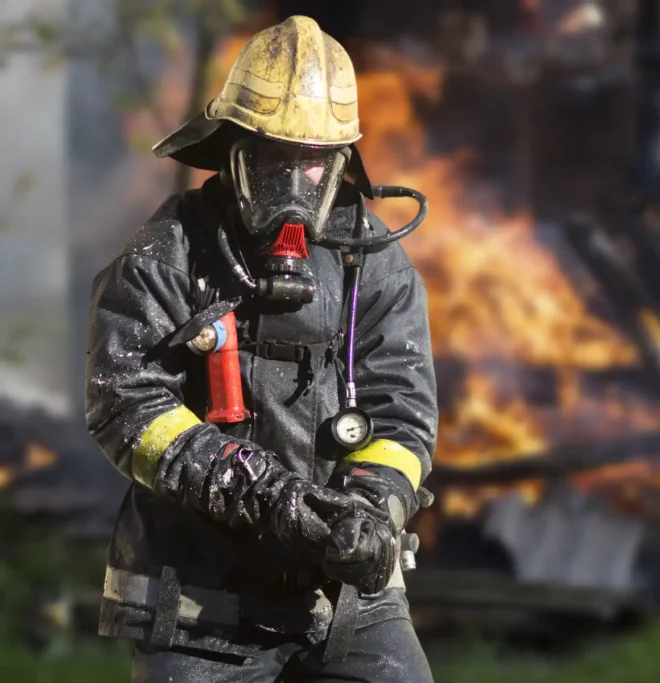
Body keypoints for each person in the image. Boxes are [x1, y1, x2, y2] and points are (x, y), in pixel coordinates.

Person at [84, 15, 438, 683]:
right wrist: (266, 493)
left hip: (343, 597)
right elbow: (125, 404)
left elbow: (401, 416)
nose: (296, 185)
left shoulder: (376, 267)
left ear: (342, 167)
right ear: (234, 151)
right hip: (200, 602)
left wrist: (372, 512)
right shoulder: (169, 254)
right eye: (276, 158)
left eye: (314, 162)